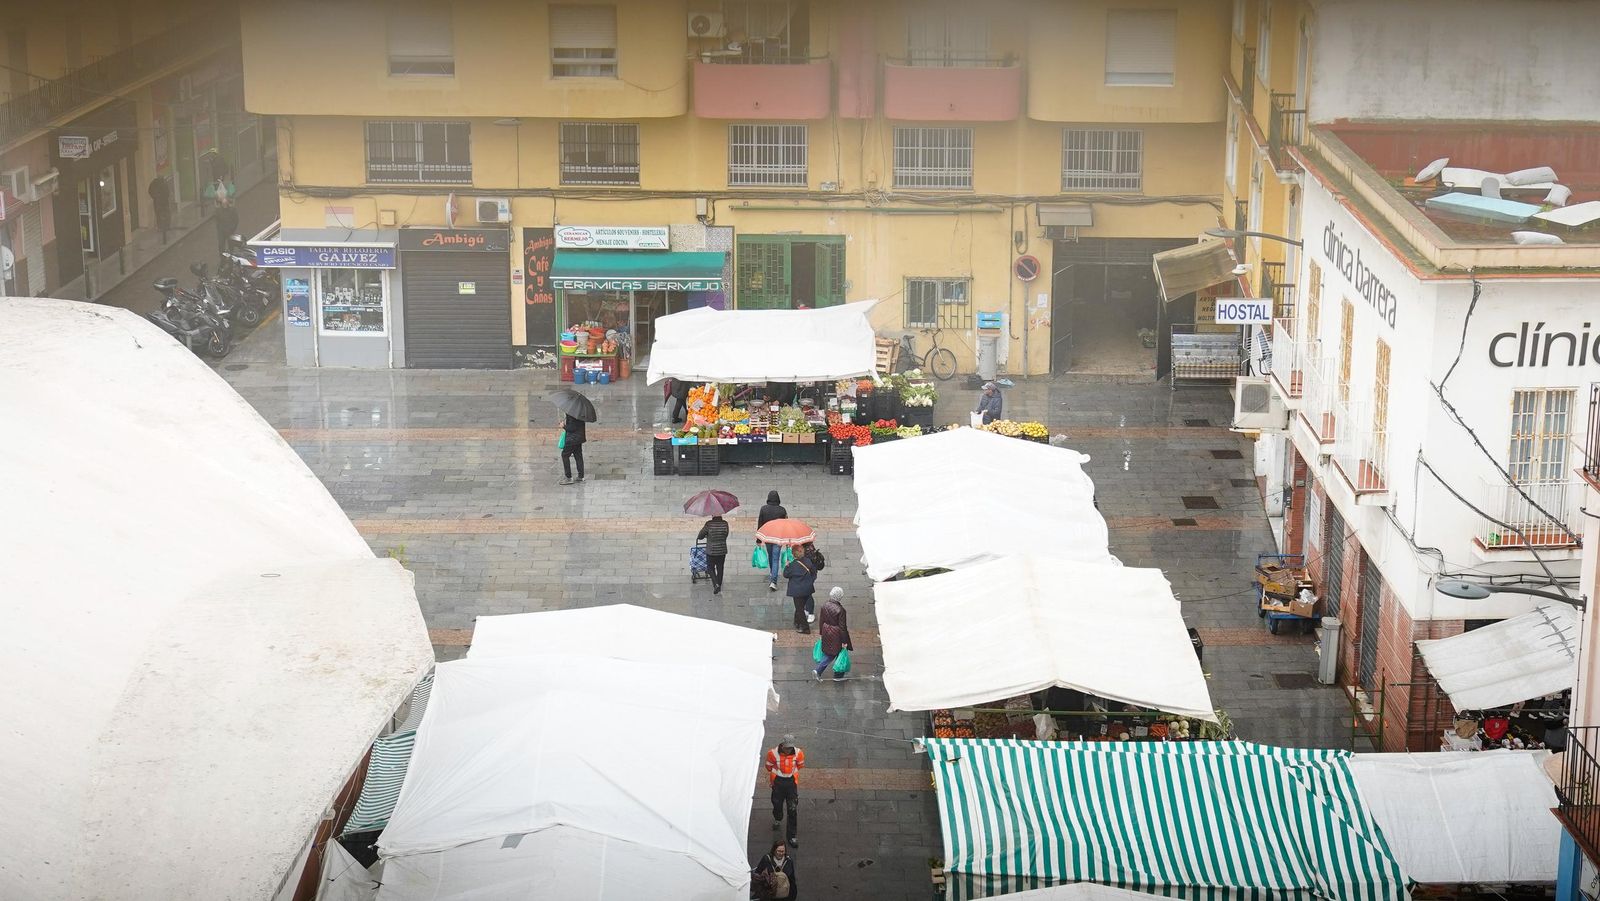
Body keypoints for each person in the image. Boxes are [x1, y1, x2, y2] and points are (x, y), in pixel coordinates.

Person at [765, 735, 804, 848]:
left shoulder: (798, 753)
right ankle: (778, 818)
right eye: (787, 747)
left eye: (790, 747)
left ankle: (791, 835)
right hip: (778, 783)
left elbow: (800, 765)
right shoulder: (772, 753)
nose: (788, 750)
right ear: (782, 745)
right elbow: (768, 766)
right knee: (777, 804)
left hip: (791, 783)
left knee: (792, 809)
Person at [814, 587, 854, 682]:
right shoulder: (841, 610)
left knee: (830, 652)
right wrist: (844, 641)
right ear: (840, 597)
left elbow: (821, 621)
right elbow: (843, 627)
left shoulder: (824, 606)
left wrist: (821, 633)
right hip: (837, 634)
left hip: (826, 631)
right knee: (836, 653)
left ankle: (820, 671)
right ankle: (836, 675)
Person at [783, 543, 823, 634]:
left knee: (799, 608)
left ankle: (805, 628)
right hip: (807, 589)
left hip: (797, 591)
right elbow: (813, 572)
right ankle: (796, 622)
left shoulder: (792, 565)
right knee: (800, 607)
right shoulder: (808, 561)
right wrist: (810, 581)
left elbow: (786, 575)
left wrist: (786, 565)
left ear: (794, 554)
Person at [757, 490, 787, 591]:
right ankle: (773, 581)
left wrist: (758, 539)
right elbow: (786, 525)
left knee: (771, 556)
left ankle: (772, 573)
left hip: (768, 537)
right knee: (775, 558)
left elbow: (760, 524)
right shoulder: (782, 510)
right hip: (778, 538)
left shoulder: (763, 509)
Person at [696, 513, 730, 594]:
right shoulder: (725, 523)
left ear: (712, 515)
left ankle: (716, 585)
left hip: (711, 551)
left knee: (710, 568)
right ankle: (719, 584)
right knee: (720, 568)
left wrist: (707, 535)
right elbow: (726, 535)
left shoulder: (709, 524)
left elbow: (700, 536)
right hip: (722, 550)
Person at [558, 413, 586, 485]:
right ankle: (581, 476)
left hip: (572, 439)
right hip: (579, 438)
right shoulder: (580, 412)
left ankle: (568, 477)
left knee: (564, 455)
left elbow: (572, 428)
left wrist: (563, 426)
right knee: (578, 456)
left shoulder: (572, 413)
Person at [147, 175, 172, 244]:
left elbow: (150, 191)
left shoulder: (155, 183)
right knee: (163, 213)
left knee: (160, 213)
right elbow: (167, 192)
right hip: (161, 201)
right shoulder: (160, 183)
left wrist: (155, 197)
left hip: (159, 201)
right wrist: (156, 197)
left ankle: (162, 226)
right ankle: (164, 226)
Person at [214, 190, 239, 256]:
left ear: (227, 203)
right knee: (221, 245)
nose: (224, 205)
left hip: (230, 231)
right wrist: (219, 229)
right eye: (223, 204)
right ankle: (222, 258)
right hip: (221, 231)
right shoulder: (218, 211)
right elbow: (217, 220)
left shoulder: (232, 210)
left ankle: (231, 257)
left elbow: (236, 220)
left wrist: (232, 228)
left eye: (225, 204)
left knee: (231, 245)